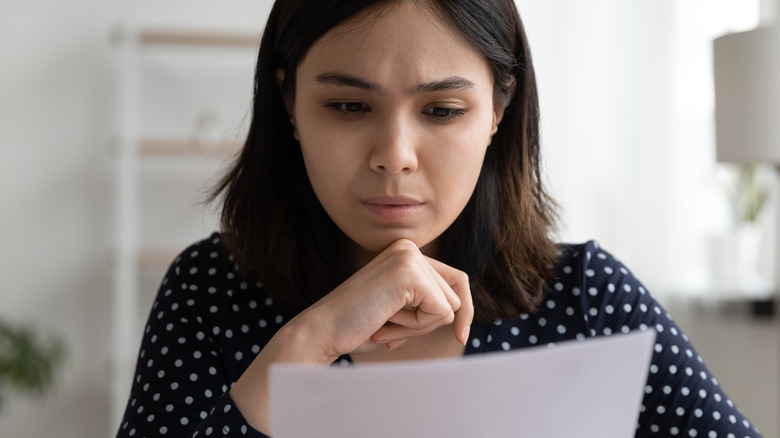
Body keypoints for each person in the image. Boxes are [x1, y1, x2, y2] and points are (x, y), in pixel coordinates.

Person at [116, 0, 764, 437]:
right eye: (347, 106)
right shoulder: (210, 291)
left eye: (442, 110)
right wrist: (307, 344)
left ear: (498, 111)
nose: (394, 158)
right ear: (288, 99)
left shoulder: (585, 299)